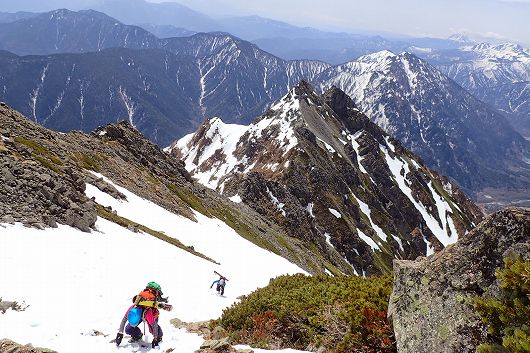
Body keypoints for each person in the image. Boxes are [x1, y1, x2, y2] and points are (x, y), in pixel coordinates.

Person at [115, 281, 172, 348]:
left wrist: (155, 338)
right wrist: (120, 333)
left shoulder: (148, 313)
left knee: (152, 329)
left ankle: (160, 336)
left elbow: (154, 325)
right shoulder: (132, 309)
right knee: (128, 329)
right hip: (141, 313)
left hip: (152, 313)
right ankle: (137, 335)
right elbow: (124, 319)